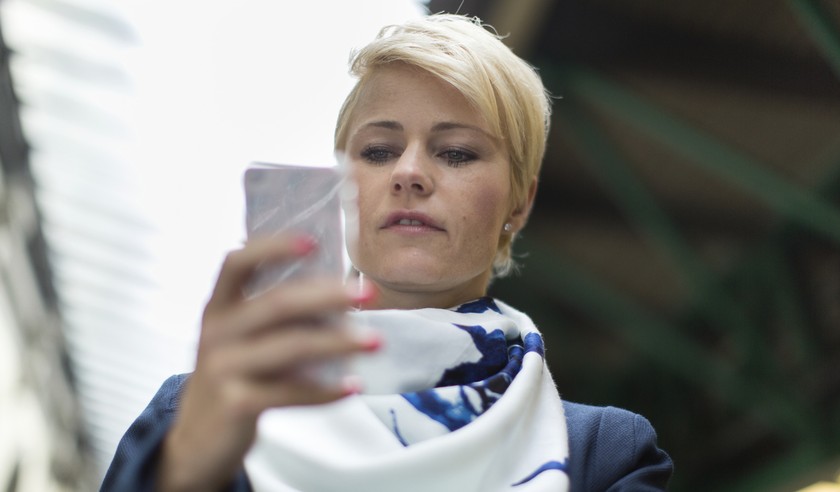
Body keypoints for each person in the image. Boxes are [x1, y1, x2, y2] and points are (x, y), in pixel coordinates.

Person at [101, 13, 672, 492]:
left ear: (519, 205)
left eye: (456, 153)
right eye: (377, 150)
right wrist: (180, 473)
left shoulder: (606, 456)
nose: (409, 173)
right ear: (340, 188)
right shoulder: (198, 413)